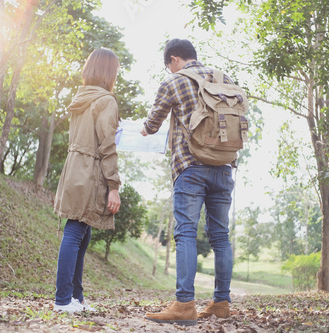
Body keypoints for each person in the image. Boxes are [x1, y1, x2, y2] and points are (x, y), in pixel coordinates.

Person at [141, 38, 236, 326]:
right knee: (220, 236)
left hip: (190, 166)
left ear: (173, 60)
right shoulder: (224, 78)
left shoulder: (174, 81)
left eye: (168, 65)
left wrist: (144, 131)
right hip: (224, 166)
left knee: (185, 233)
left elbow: (153, 122)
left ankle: (184, 304)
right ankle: (221, 303)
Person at [53, 48, 122, 314]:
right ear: (109, 72)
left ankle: (75, 297)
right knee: (75, 230)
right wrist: (113, 186)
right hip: (90, 171)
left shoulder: (81, 98)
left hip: (73, 168)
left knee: (83, 231)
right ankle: (62, 300)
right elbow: (107, 147)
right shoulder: (106, 101)